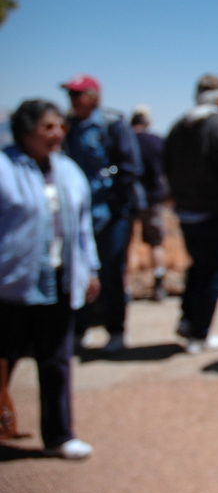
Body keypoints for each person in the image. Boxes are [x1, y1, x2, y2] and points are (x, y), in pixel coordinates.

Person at [1, 100, 100, 459]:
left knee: (56, 360)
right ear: (25, 131)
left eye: (60, 126)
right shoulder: (3, 168)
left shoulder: (69, 171)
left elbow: (83, 227)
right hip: (11, 285)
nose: (57, 133)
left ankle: (59, 436)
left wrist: (91, 268)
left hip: (59, 280)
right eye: (47, 127)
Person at [61, 73, 144, 354]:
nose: (73, 100)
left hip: (111, 214)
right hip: (78, 215)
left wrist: (115, 200)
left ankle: (115, 330)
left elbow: (131, 167)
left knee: (111, 273)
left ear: (93, 97)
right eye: (70, 94)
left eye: (77, 94)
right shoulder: (67, 128)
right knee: (78, 272)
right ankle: (79, 330)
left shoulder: (113, 125)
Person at [163, 74, 218, 354]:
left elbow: (167, 167)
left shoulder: (177, 128)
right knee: (212, 273)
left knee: (197, 267)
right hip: (215, 213)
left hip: (186, 213)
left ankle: (188, 319)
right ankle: (200, 333)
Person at [130, 105, 169, 301]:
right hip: (154, 198)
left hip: (128, 198)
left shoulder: (126, 140)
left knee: (126, 244)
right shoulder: (156, 141)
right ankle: (158, 285)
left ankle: (123, 289)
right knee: (156, 242)